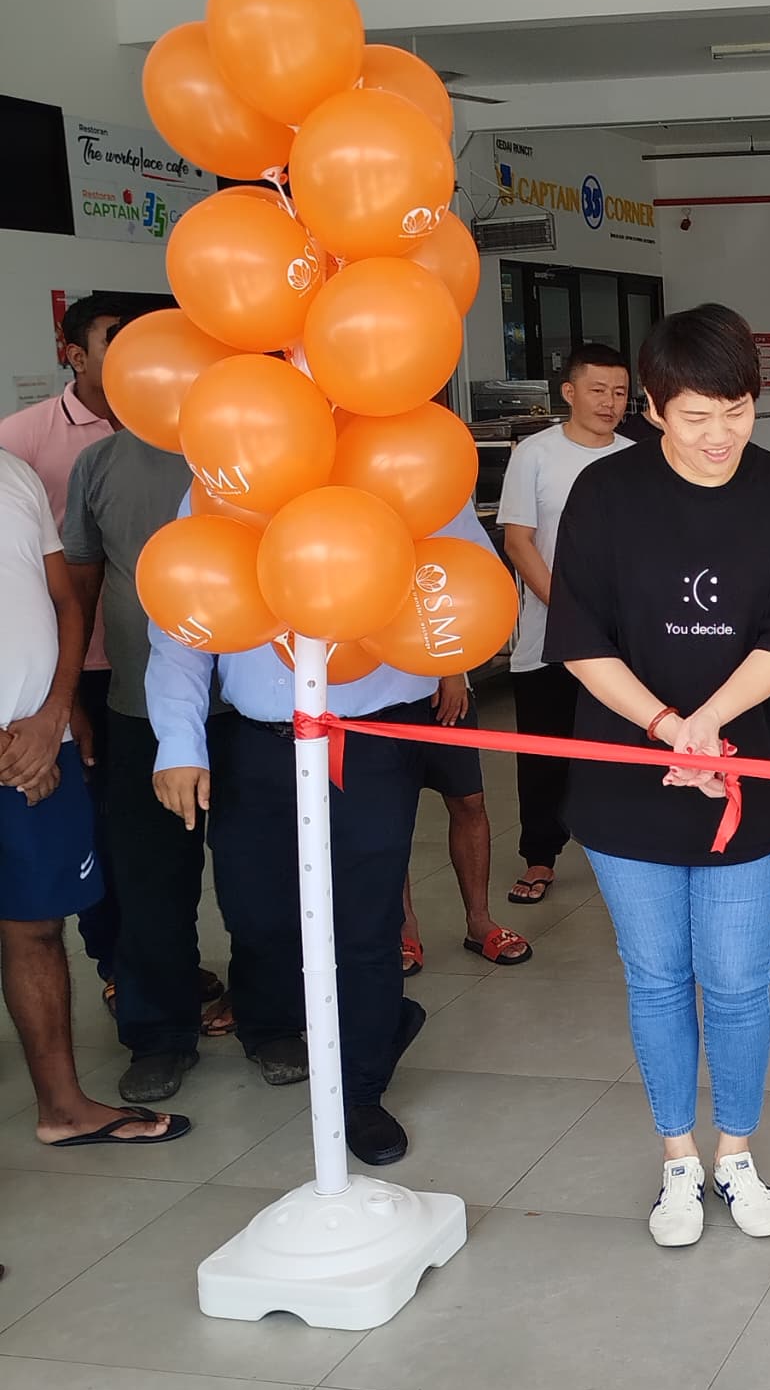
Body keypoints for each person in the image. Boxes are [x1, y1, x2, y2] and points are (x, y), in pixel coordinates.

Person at [544, 304, 770, 1249]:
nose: (720, 437)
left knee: (740, 982)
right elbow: (580, 640)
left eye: (738, 411)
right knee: (658, 979)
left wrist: (706, 730)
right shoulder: (603, 495)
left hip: (750, 771)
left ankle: (736, 1154)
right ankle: (677, 1159)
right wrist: (668, 730)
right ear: (654, 408)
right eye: (697, 416)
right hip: (630, 775)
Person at [147, 502, 501, 1167]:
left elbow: (462, 581)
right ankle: (281, 1026)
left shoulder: (400, 462)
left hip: (368, 738)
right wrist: (178, 740)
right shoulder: (227, 481)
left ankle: (362, 1090)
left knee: (364, 925)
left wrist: (449, 662)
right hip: (257, 737)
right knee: (255, 910)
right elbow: (181, 617)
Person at [1, 445, 188, 1151]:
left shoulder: (12, 473)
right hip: (18, 756)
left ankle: (63, 1107)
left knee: (36, 930)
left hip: (35, 748)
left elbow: (65, 599)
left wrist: (53, 713)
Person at [63, 424, 246, 1104]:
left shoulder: (247, 447)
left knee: (259, 879)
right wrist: (73, 697)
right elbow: (79, 588)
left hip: (252, 709)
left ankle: (273, 1018)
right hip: (139, 709)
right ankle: (160, 1034)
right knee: (149, 885)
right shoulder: (101, 464)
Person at [0, 295, 125, 988]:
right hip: (77, 678)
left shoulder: (176, 427)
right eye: (115, 340)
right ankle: (115, 967)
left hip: (151, 668)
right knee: (95, 826)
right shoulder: (23, 439)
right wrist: (58, 710)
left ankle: (157, 963)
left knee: (153, 829)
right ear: (75, 354)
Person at [497, 340, 634, 907]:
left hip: (623, 637)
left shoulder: (638, 457)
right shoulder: (534, 453)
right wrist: (571, 610)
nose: (609, 402)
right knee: (546, 749)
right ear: (570, 392)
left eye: (620, 392)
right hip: (551, 635)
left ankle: (623, 848)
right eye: (598, 390)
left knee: (619, 746)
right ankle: (540, 855)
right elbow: (519, 542)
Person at [399, 669, 532, 972]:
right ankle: (404, 927)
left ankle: (479, 921)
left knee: (469, 801)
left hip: (446, 684)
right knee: (393, 811)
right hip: (378, 699)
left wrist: (453, 673)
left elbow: (452, 619)